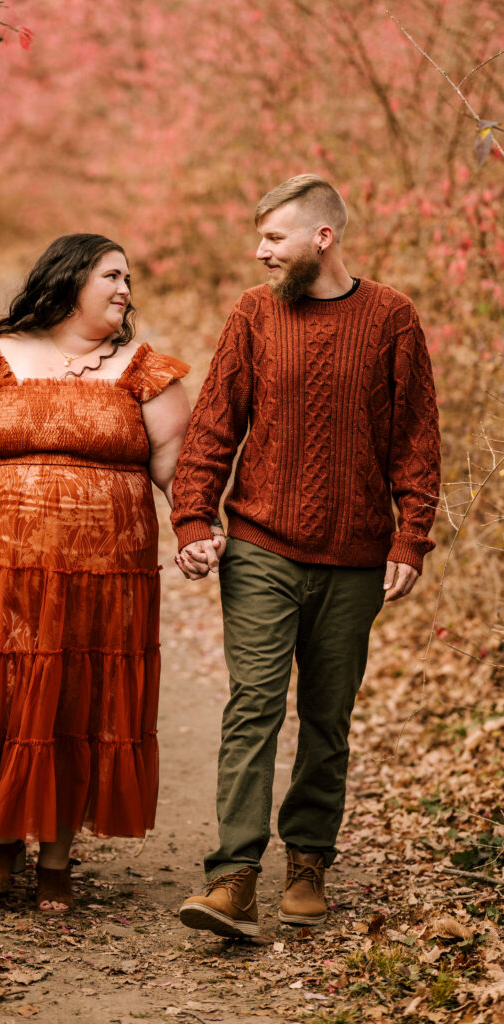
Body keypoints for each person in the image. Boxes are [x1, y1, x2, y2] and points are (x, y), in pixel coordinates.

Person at [171, 175, 441, 937]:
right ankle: (232, 877)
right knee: (252, 704)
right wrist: (193, 518)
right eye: (259, 238)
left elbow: (416, 436)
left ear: (322, 237)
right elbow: (213, 424)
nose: (259, 252)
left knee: (327, 717)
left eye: (273, 238)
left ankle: (309, 860)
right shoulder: (253, 314)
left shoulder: (390, 317)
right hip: (260, 544)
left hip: (355, 557)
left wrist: (409, 535)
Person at [0, 234, 190, 914]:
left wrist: (196, 533)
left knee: (77, 703)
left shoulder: (144, 373)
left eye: (127, 279)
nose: (124, 289)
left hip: (104, 576)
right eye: (111, 275)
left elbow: (178, 468)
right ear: (70, 278)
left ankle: (56, 856)